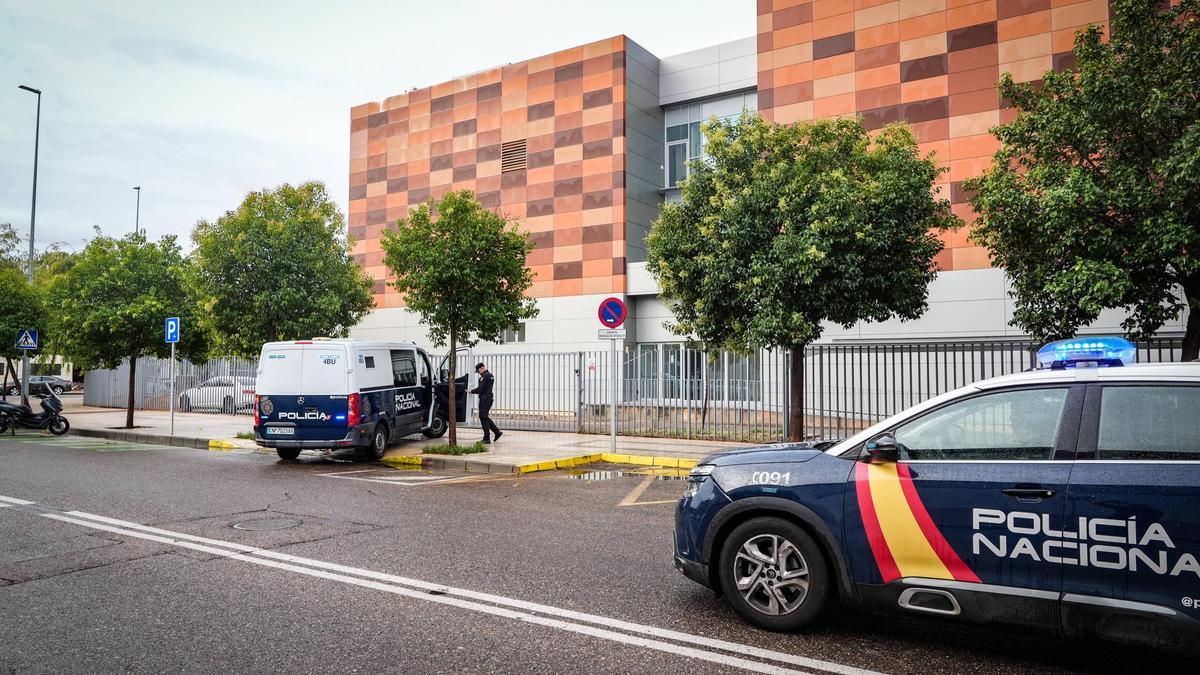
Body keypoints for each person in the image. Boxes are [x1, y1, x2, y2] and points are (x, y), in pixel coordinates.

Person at [469, 362, 502, 444]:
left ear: (481, 369)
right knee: (484, 417)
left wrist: (471, 391)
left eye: (478, 371)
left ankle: (487, 438)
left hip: (484, 399)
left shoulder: (484, 377)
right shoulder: (491, 376)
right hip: (489, 399)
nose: (478, 373)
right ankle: (496, 432)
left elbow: (480, 389)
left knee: (483, 417)